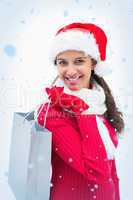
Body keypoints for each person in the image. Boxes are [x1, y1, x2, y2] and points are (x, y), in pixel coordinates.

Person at [36, 22, 125, 200]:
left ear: (93, 63)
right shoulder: (52, 113)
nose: (70, 71)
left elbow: (110, 171)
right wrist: (84, 113)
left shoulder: (98, 101)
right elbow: (97, 173)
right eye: (63, 62)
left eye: (79, 61)